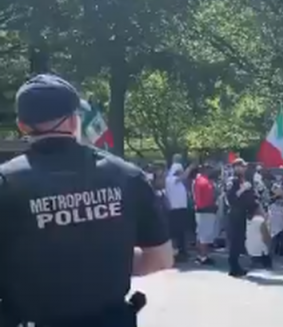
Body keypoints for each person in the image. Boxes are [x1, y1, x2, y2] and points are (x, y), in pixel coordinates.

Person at [0, 74, 173, 326]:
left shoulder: (6, 183)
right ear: (73, 121)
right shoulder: (126, 176)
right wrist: (109, 262)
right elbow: (160, 258)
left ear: (22, 125)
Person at [226, 158, 264, 277]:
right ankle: (233, 266)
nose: (244, 168)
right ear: (236, 167)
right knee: (235, 240)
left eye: (244, 166)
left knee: (240, 239)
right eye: (241, 166)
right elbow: (231, 198)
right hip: (235, 213)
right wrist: (243, 189)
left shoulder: (244, 180)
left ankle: (236, 265)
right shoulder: (232, 181)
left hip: (243, 213)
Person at [165, 154, 196, 262]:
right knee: (176, 233)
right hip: (175, 210)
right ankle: (176, 253)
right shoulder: (171, 179)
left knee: (181, 233)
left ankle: (182, 252)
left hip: (181, 209)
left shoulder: (178, 182)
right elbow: (183, 177)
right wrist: (190, 168)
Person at [192, 165, 217, 265]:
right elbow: (206, 197)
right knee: (204, 235)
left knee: (200, 234)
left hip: (201, 210)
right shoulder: (203, 181)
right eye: (209, 168)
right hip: (205, 210)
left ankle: (200, 256)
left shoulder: (199, 180)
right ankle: (203, 257)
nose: (211, 170)